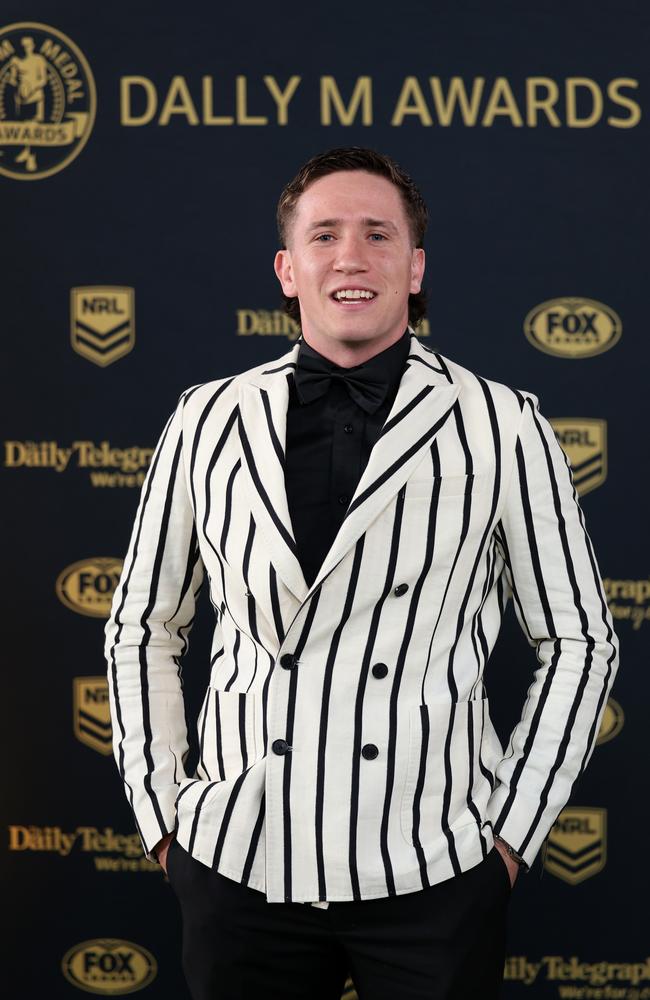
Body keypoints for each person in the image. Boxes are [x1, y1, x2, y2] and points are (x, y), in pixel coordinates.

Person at [104, 146, 619, 1000]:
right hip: (240, 863)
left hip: (435, 868)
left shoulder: (504, 424)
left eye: (379, 235)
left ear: (414, 268)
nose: (351, 257)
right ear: (286, 268)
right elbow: (141, 625)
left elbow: (579, 638)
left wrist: (512, 835)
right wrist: (165, 816)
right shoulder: (206, 417)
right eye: (325, 235)